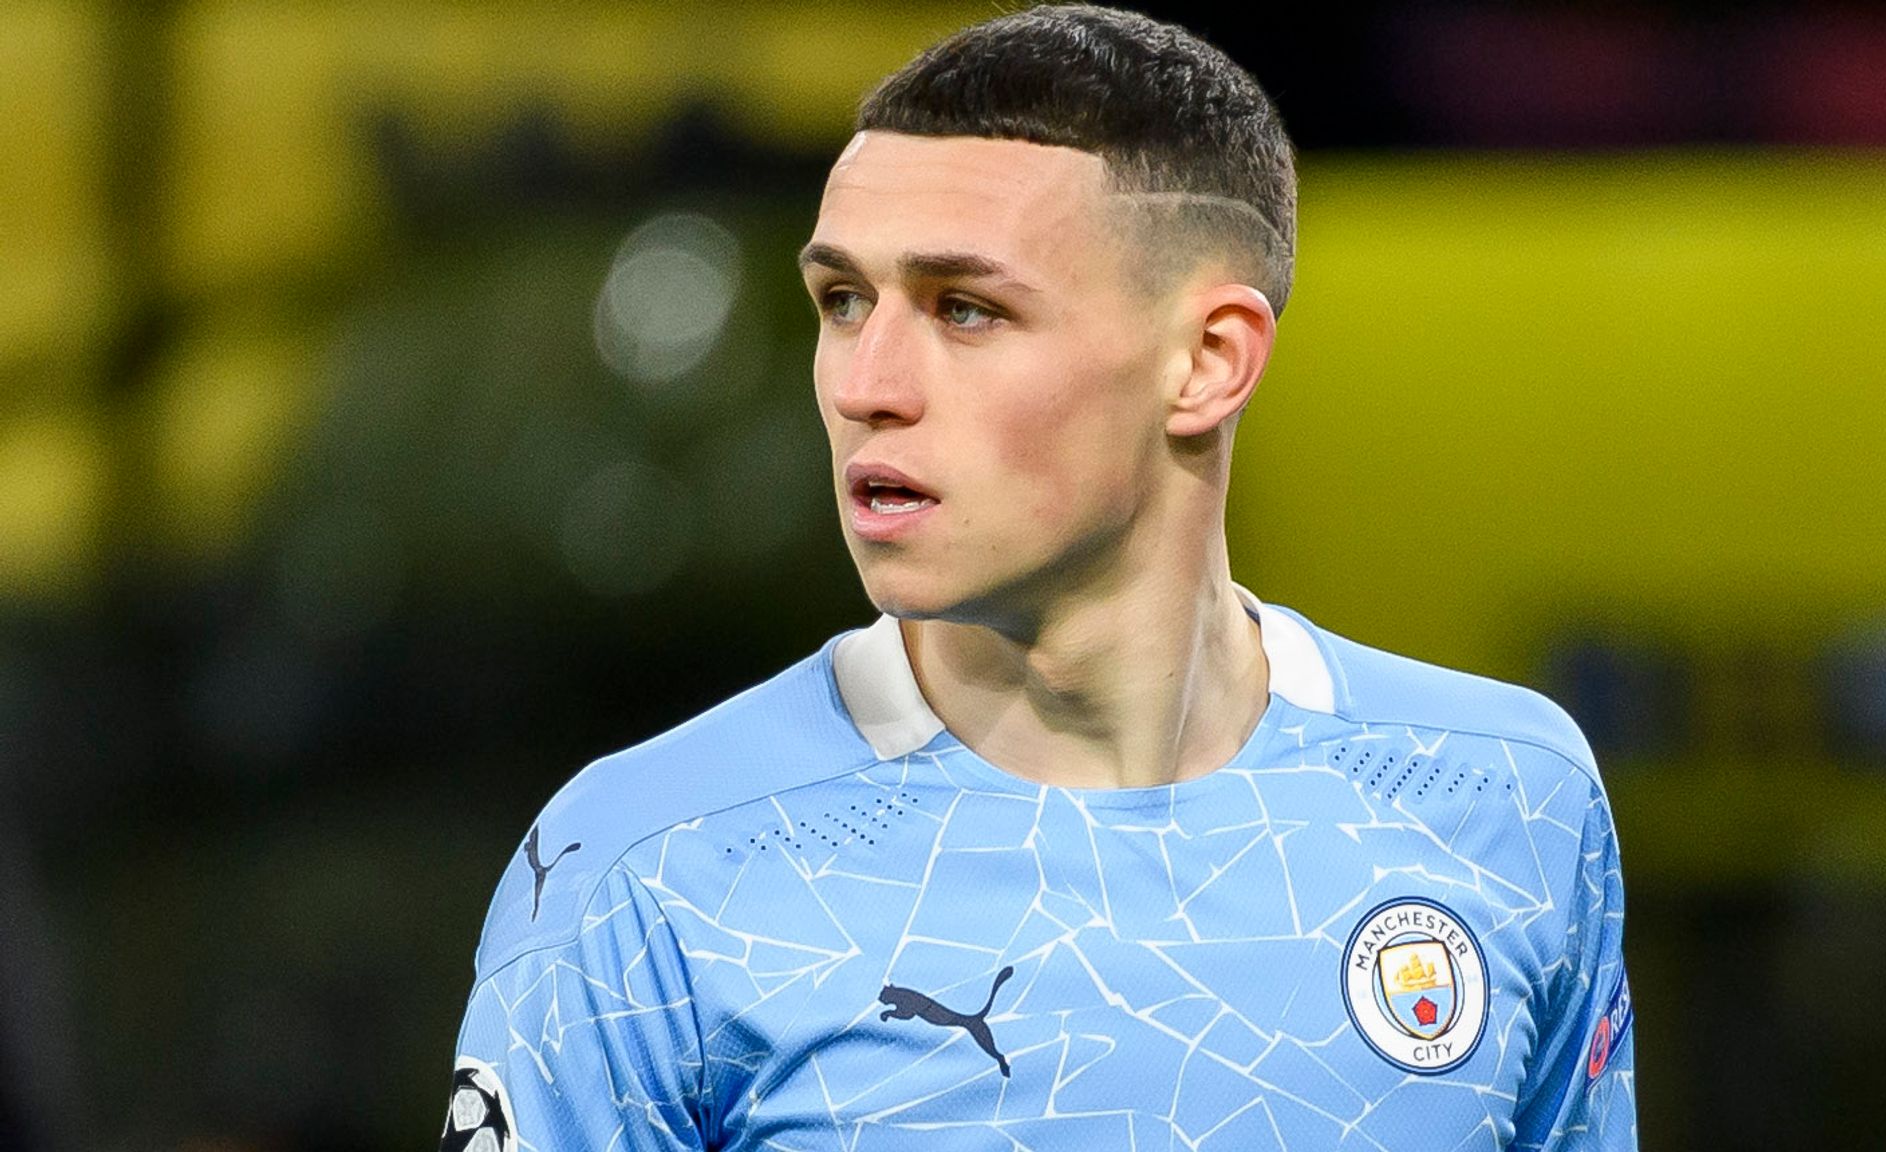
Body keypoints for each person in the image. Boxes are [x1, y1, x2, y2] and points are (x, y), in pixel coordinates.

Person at [442, 6, 1635, 1149]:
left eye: (963, 310)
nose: (866, 382)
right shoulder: (648, 865)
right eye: (842, 300)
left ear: (1207, 363)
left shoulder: (1506, 797)